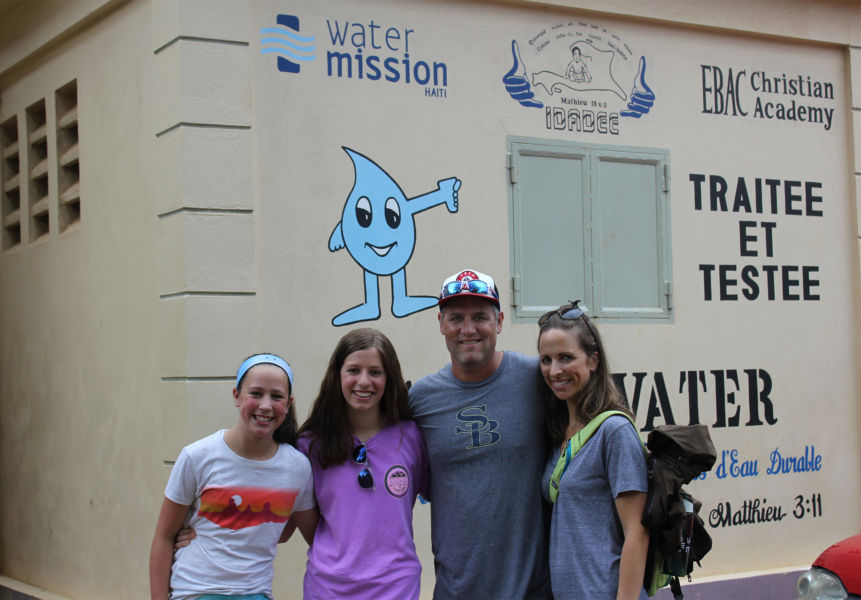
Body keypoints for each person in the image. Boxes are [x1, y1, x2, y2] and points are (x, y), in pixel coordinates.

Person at [408, 269, 552, 599]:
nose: (468, 329)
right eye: (456, 318)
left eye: (480, 317)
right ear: (441, 324)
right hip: (455, 591)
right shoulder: (421, 400)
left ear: (499, 321)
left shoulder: (537, 379)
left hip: (534, 590)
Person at [149, 353, 317, 600]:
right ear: (236, 396)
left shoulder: (298, 468)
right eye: (256, 393)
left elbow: (283, 532)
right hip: (195, 592)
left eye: (277, 396)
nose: (266, 405)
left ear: (288, 403)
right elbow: (164, 536)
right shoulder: (197, 457)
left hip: (256, 593)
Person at [296, 328, 430, 599]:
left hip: (396, 588)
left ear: (389, 377)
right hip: (328, 588)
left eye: (375, 372)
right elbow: (304, 521)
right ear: (337, 375)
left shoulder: (413, 437)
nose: (364, 381)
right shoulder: (309, 445)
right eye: (354, 370)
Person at [537, 302, 649, 600]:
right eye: (546, 359)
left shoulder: (614, 431)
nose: (554, 370)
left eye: (566, 357)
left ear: (593, 361)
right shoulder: (560, 435)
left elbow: (637, 532)